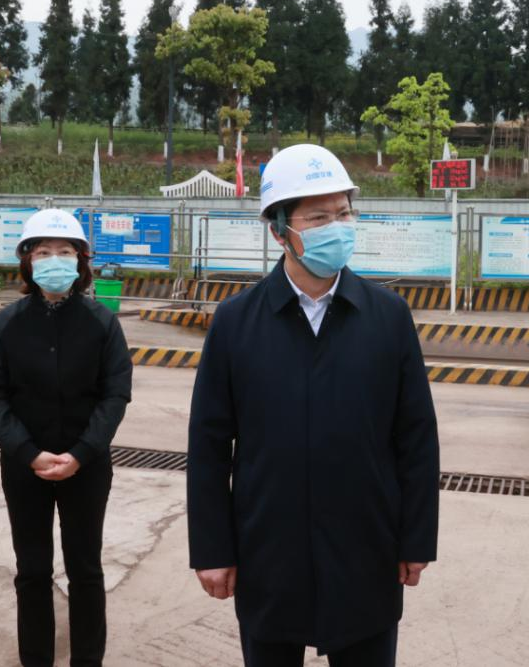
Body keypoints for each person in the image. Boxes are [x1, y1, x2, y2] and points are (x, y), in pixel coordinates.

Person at [187, 144, 440, 667]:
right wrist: (212, 549)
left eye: (344, 213)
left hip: (366, 551)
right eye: (319, 218)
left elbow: (416, 438)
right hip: (267, 552)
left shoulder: (388, 317)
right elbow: (209, 447)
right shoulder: (235, 323)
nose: (337, 227)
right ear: (279, 230)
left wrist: (416, 539)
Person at [0, 209, 131, 667]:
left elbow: (115, 394)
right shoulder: (6, 323)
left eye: (65, 252)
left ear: (82, 261)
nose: (54, 260)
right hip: (25, 467)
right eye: (43, 252)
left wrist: (82, 453)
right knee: (32, 571)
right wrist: (28, 452)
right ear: (27, 261)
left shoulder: (102, 322)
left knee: (86, 569)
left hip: (88, 466)